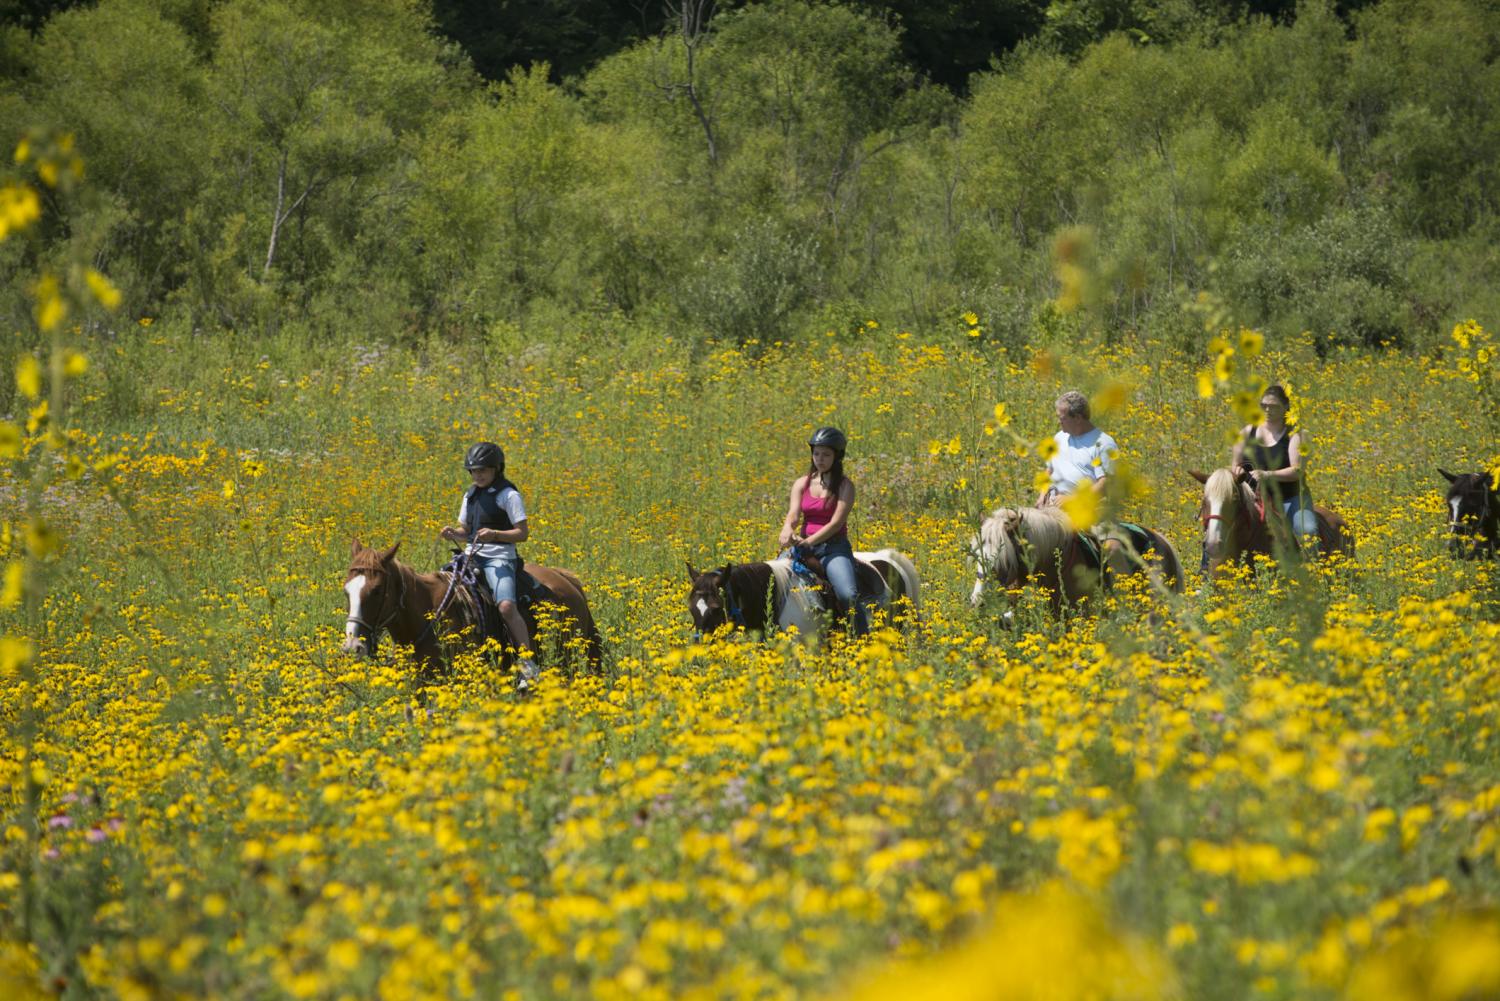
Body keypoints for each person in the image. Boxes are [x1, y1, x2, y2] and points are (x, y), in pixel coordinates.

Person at [440, 442, 539, 688]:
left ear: (497, 469)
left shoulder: (509, 495)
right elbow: (467, 531)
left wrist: (495, 534)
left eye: (483, 470)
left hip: (500, 558)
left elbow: (522, 533)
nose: (478, 475)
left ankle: (528, 665)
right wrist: (454, 533)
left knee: (506, 606)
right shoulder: (470, 494)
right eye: (473, 471)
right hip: (471, 557)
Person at [778, 426, 869, 636]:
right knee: (774, 583)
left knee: (848, 595)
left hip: (833, 549)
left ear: (837, 457)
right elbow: (793, 513)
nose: (820, 458)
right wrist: (787, 528)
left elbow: (836, 523)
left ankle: (863, 639)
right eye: (816, 453)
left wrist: (810, 541)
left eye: (826, 454)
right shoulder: (802, 483)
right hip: (803, 547)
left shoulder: (846, 486)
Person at [1037, 390, 1129, 573]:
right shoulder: (1059, 438)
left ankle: (1121, 592)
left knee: (1112, 548)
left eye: (1062, 417)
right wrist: (1041, 496)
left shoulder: (1103, 443)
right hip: (1053, 507)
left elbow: (1105, 484)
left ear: (1078, 417)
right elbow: (1049, 470)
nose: (1059, 421)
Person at [1232, 384, 1318, 554]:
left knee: (1306, 531)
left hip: (1290, 498)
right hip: (1253, 499)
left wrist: (1267, 475)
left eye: (1274, 407)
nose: (1268, 410)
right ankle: (1206, 570)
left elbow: (1297, 470)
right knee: (1219, 524)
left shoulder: (1297, 435)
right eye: (1264, 406)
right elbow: (1235, 464)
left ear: (1286, 407)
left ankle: (1314, 572)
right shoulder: (1246, 432)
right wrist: (1238, 471)